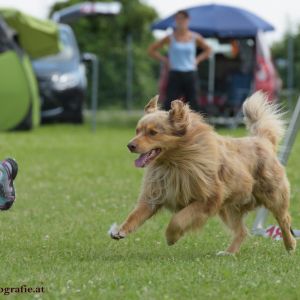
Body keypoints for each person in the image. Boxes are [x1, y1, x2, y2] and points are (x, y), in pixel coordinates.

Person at [148, 9, 212, 111]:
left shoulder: (195, 37)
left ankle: (193, 126)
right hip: (175, 73)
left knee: (193, 102)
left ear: (188, 20)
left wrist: (197, 60)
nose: (180, 21)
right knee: (169, 102)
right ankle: (167, 125)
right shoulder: (170, 37)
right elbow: (151, 50)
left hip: (190, 73)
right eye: (178, 19)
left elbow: (209, 49)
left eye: (183, 18)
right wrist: (165, 60)